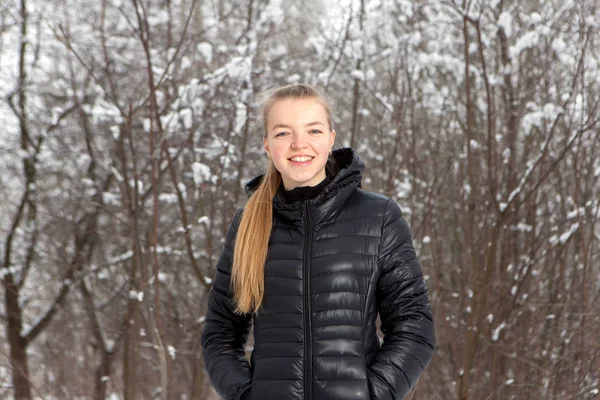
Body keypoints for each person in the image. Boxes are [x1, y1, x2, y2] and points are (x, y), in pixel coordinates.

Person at [201, 84, 435, 400]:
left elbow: (414, 326)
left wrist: (372, 394)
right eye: (283, 133)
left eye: (313, 130)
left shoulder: (378, 216)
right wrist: (246, 394)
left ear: (330, 138)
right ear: (268, 145)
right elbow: (220, 334)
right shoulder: (248, 225)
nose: (300, 144)